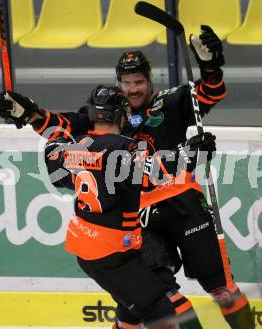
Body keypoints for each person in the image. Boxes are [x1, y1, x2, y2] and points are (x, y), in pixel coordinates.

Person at [0, 25, 254, 329]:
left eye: (139, 82)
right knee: (150, 299)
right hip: (139, 216)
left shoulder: (171, 102)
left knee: (222, 287)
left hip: (183, 205)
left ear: (150, 80)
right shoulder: (109, 112)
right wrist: (29, 113)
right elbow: (63, 125)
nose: (133, 89)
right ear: (119, 84)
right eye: (127, 83)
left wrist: (211, 66)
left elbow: (211, 92)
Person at [43, 85, 216, 329]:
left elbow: (52, 158)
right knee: (161, 309)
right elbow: (149, 174)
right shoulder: (122, 147)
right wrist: (188, 155)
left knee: (131, 310)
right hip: (113, 252)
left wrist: (58, 134)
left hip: (88, 248)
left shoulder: (75, 147)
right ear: (121, 116)